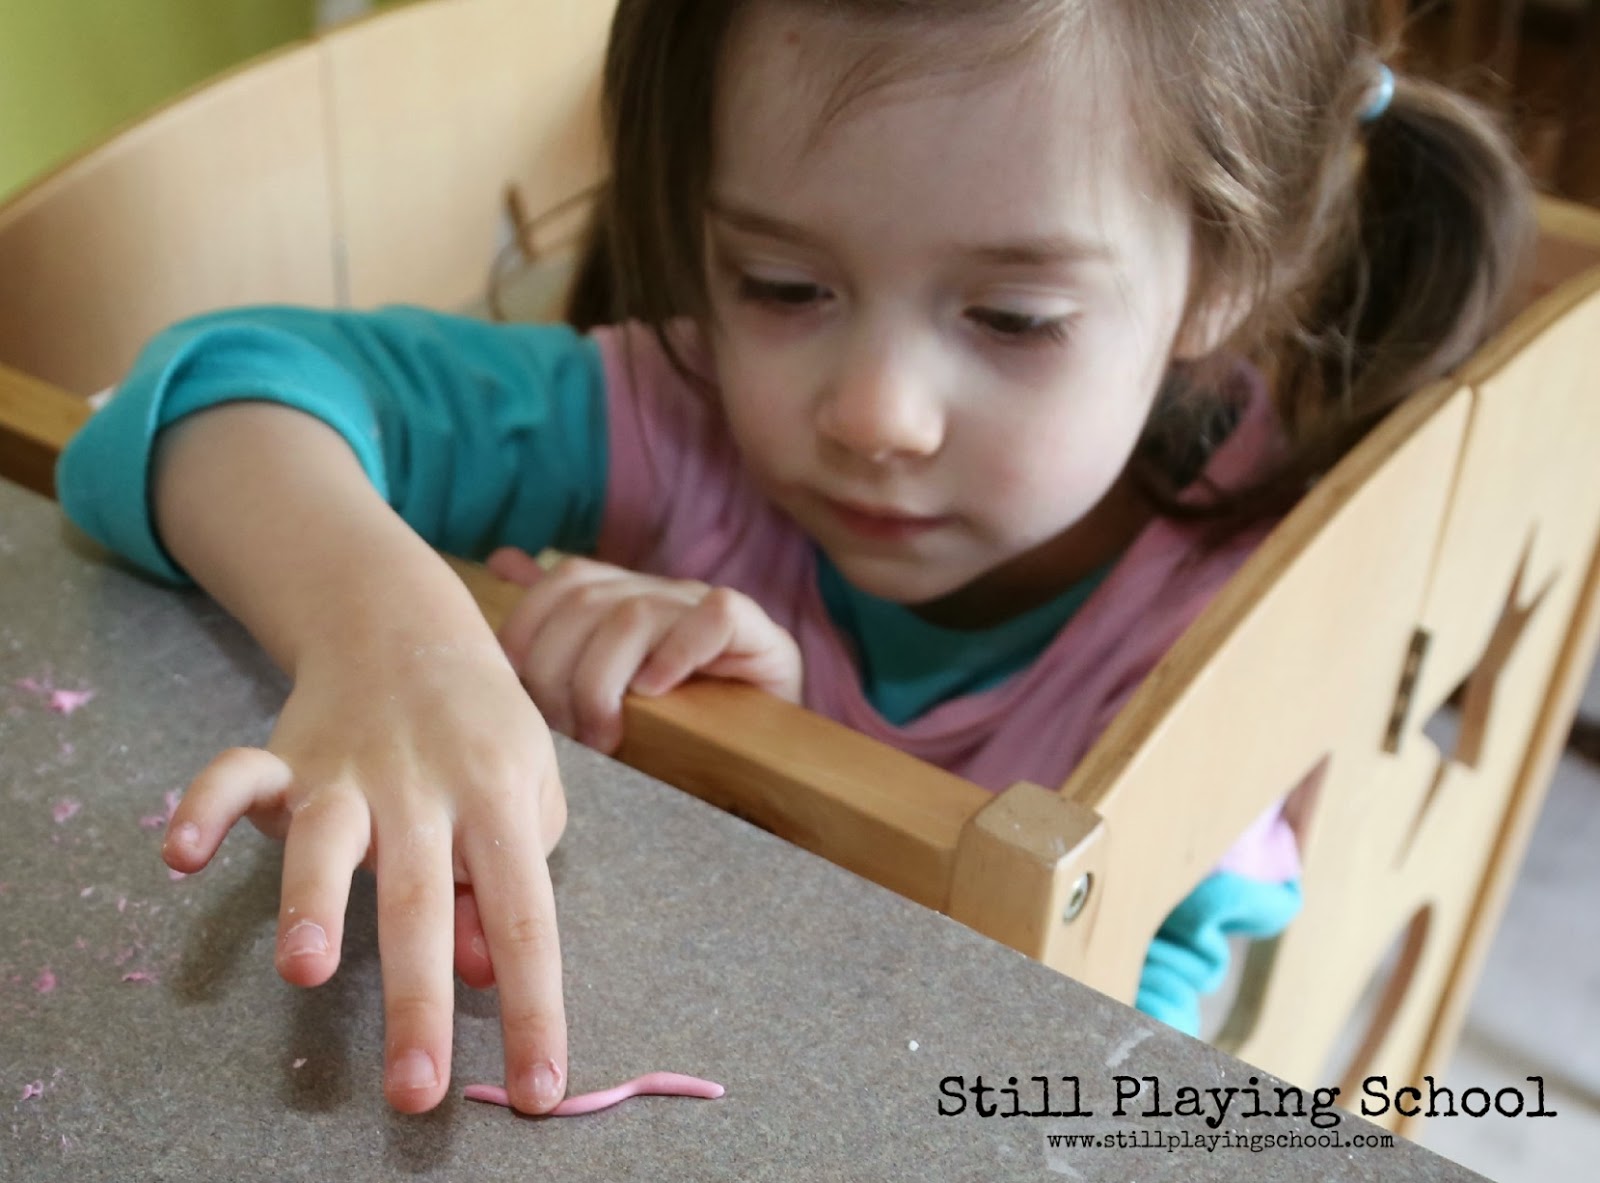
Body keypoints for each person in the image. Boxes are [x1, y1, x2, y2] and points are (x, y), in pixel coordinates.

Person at [56, 0, 1532, 1117]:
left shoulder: (1239, 636)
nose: (874, 415)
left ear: (1227, 270)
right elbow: (194, 400)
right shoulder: (679, 416)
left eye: (1012, 318)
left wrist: (788, 771)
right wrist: (397, 634)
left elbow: (1072, 1090)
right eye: (782, 284)